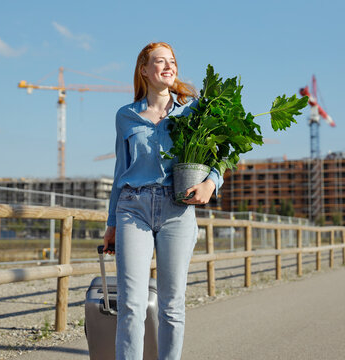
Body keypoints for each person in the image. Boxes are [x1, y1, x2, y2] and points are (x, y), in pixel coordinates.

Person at [103, 42, 223, 360]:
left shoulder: (193, 111)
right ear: (144, 70)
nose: (168, 66)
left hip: (177, 209)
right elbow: (119, 171)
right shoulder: (125, 116)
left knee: (172, 304)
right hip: (133, 207)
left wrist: (212, 182)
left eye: (172, 61)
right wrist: (111, 224)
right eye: (160, 61)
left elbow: (225, 153)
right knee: (131, 303)